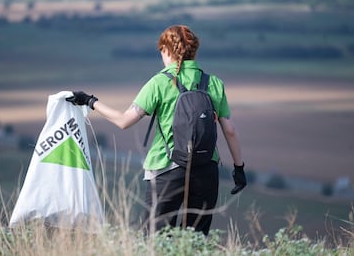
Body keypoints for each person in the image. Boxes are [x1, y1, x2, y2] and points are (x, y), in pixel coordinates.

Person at [66, 25, 246, 236]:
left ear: (167, 51)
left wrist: (89, 100)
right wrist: (239, 168)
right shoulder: (214, 83)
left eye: (162, 51)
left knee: (156, 239)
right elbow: (230, 130)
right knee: (196, 240)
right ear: (193, 51)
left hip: (165, 169)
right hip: (206, 171)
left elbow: (124, 121)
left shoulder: (159, 83)